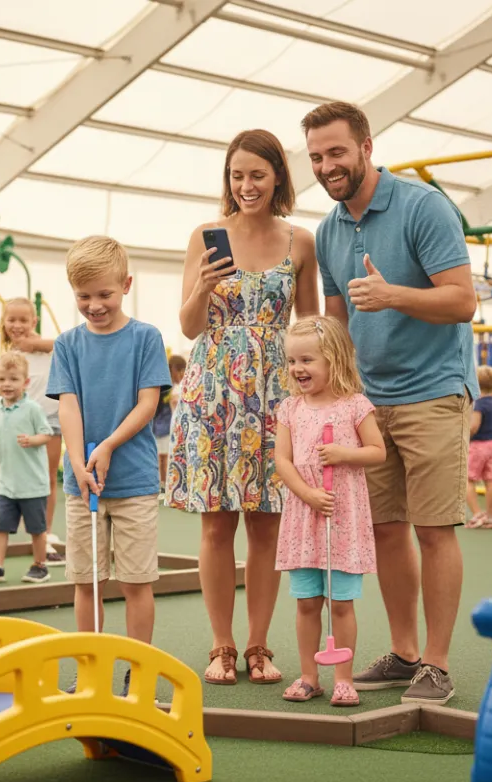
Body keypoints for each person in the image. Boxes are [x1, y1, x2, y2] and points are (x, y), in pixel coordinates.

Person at [306, 100, 477, 705]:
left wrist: (391, 295)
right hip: (367, 404)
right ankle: (405, 653)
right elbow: (336, 324)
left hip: (432, 391)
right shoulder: (328, 231)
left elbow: (462, 301)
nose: (327, 166)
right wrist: (330, 398)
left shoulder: (423, 206)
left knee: (434, 530)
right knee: (385, 530)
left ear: (366, 147)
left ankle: (436, 661)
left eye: (336, 152)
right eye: (317, 157)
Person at [167, 128, 320, 687]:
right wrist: (203, 286)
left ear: (278, 175)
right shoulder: (206, 235)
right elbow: (187, 328)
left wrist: (314, 396)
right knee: (215, 526)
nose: (246, 185)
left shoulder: (301, 241)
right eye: (237, 175)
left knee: (267, 526)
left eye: (257, 174)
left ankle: (258, 646)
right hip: (213, 392)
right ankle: (221, 646)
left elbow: (310, 326)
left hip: (275, 393)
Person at [46, 235, 171, 693]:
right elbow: (69, 408)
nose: (94, 305)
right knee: (86, 581)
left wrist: (109, 446)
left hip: (134, 479)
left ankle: (138, 672)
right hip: (83, 485)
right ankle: (90, 670)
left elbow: (147, 404)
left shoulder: (145, 338)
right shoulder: (67, 344)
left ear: (126, 286)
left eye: (104, 294)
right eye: (84, 296)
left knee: (137, 582)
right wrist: (79, 464)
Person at [274, 317, 384, 707]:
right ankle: (308, 676)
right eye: (291, 361)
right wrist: (307, 493)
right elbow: (282, 461)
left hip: (343, 516)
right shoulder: (290, 408)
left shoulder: (355, 405)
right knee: (306, 601)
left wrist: (343, 454)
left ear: (333, 360)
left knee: (341, 601)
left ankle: (343, 678)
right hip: (306, 514)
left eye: (307, 359)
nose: (297, 369)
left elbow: (377, 451)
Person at [0, 351, 55, 584]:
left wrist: (32, 440)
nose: (7, 384)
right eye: (2, 379)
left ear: (25, 383)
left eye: (14, 379)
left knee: (37, 529)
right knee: (0, 527)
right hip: (6, 484)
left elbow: (47, 434)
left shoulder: (32, 409)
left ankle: (40, 565)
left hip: (33, 484)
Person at [1, 297, 65, 565]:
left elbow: (67, 344)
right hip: (23, 421)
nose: (17, 325)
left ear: (34, 322)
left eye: (23, 320)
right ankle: (34, 532)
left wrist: (33, 343)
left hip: (51, 419)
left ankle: (46, 533)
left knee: (48, 477)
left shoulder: (47, 347)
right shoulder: (10, 357)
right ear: (3, 323)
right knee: (22, 479)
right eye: (11, 320)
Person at [466, 366, 492, 530]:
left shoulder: (480, 405)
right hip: (491, 445)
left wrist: (463, 434)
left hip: (478, 445)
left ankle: (476, 514)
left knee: (467, 480)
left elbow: (474, 426)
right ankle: (491, 517)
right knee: (490, 481)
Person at [154, 355, 187, 491]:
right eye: (179, 370)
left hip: (168, 425)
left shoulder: (177, 387)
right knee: (162, 457)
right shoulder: (165, 386)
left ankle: (166, 484)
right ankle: (163, 484)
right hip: (162, 424)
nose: (181, 374)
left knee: (166, 457)